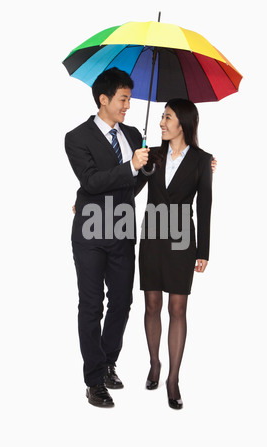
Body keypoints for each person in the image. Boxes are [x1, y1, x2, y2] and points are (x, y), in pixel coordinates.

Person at [65, 68, 149, 408]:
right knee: (91, 305)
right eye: (123, 99)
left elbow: (132, 186)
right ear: (104, 99)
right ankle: (93, 379)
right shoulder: (76, 137)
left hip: (122, 231)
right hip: (90, 233)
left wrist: (143, 169)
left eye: (129, 99)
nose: (128, 105)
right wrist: (129, 167)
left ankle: (108, 362)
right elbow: (91, 181)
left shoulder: (131, 133)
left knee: (122, 302)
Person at [136, 99, 213, 410]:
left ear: (182, 122)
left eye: (167, 117)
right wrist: (135, 163)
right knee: (152, 304)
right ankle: (154, 364)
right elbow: (130, 188)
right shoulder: (151, 154)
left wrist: (204, 250)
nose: (161, 123)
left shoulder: (202, 160)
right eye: (161, 117)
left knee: (177, 308)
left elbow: (205, 207)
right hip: (152, 236)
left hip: (183, 240)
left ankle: (173, 378)